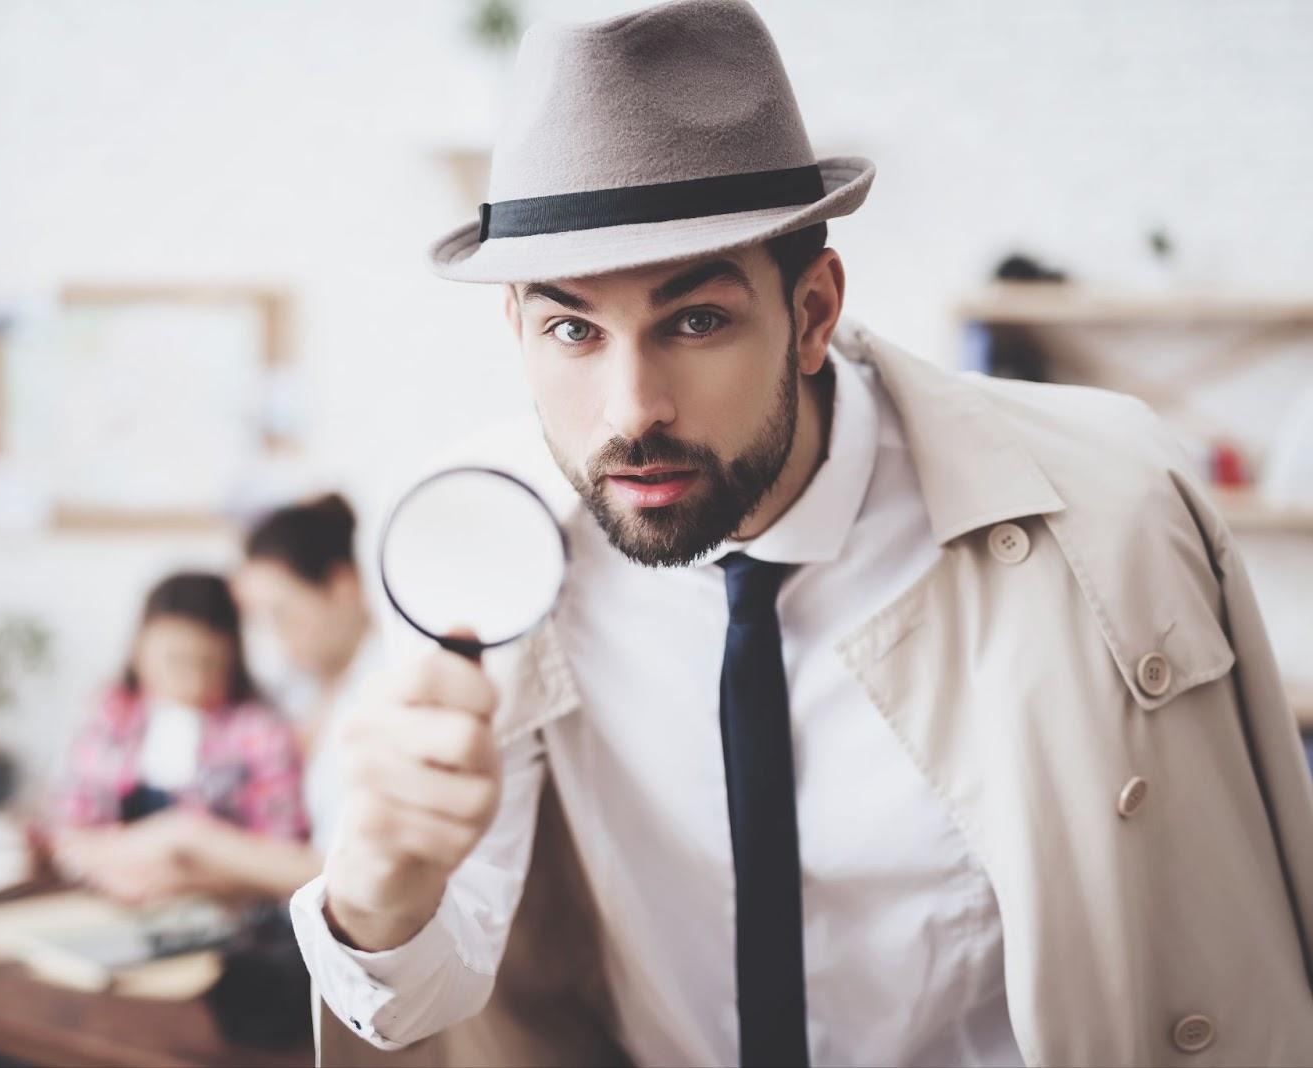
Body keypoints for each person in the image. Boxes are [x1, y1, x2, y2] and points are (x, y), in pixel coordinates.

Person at [289, 2, 1313, 1066]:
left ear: (813, 309)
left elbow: (1238, 936)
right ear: (516, 329)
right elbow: (437, 990)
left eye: (695, 320)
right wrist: (373, 898)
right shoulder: (481, 546)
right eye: (572, 329)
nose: (629, 409)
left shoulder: (1110, 505)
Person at [52, 571, 318, 905]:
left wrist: (189, 867)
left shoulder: (260, 733)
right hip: (112, 903)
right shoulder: (111, 716)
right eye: (174, 659)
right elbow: (71, 834)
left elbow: (286, 859)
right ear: (139, 649)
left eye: (207, 664)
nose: (191, 681)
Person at [235, 493, 382, 852]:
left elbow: (340, 865)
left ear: (343, 586)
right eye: (261, 620)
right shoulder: (304, 687)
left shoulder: (385, 686)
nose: (275, 637)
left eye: (281, 614)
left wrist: (195, 848)